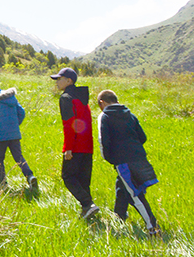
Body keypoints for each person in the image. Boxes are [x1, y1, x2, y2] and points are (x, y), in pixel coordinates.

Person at [97, 90, 160, 235]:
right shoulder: (130, 115)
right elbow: (142, 137)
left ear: (102, 103)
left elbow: (104, 141)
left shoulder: (104, 116)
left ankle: (153, 228)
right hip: (139, 157)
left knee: (135, 194)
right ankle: (119, 216)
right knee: (122, 187)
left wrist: (110, 159)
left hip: (123, 161)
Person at [50, 67, 98, 219]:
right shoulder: (83, 98)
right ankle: (88, 211)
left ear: (69, 81)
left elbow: (69, 125)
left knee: (68, 177)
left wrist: (68, 148)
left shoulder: (66, 98)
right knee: (83, 181)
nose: (57, 82)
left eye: (59, 79)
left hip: (75, 146)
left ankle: (88, 204)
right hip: (87, 146)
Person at [0, 80, 38, 190]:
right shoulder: (11, 97)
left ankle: (3, 184)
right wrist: (15, 125)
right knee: (19, 157)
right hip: (14, 133)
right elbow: (21, 112)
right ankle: (30, 176)